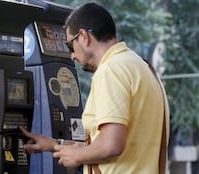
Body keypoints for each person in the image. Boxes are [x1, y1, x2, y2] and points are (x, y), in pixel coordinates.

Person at [20, 2, 170, 174]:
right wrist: (55, 145)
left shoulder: (111, 70)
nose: (72, 55)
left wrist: (77, 157)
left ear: (84, 36)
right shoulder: (143, 67)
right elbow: (116, 144)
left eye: (70, 45)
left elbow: (111, 145)